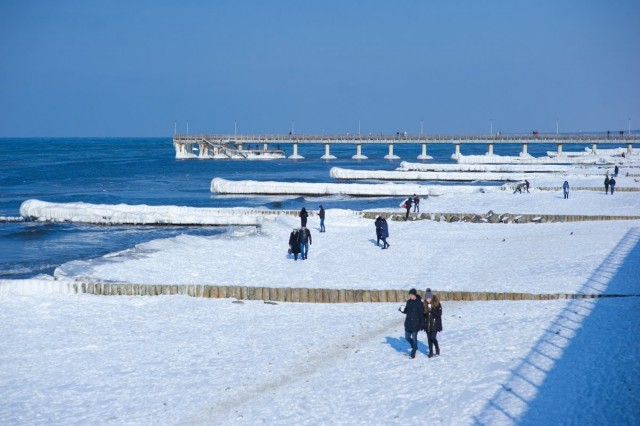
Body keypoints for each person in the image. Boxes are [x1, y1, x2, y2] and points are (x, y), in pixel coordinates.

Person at [399, 288, 423, 359]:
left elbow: (421, 314)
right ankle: (414, 346)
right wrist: (402, 310)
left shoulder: (419, 303)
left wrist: (422, 324)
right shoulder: (408, 302)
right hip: (408, 323)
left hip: (416, 324)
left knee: (414, 338)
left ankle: (414, 350)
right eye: (409, 295)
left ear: (414, 295)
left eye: (411, 295)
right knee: (407, 337)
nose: (410, 296)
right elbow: (407, 311)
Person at [423, 288, 442, 358]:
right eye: (427, 298)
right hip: (427, 324)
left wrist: (432, 310)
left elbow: (439, 313)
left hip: (435, 324)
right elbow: (423, 314)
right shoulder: (424, 304)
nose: (428, 300)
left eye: (429, 298)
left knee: (433, 337)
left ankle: (437, 348)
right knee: (429, 338)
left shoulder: (437, 303)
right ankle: (431, 351)